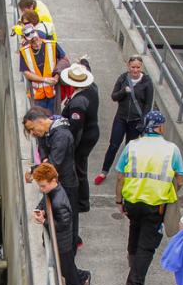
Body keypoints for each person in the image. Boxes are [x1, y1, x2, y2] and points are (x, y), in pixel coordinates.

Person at [115, 110, 183, 285]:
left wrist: (119, 201)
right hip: (156, 206)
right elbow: (179, 180)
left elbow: (120, 176)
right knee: (147, 245)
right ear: (160, 127)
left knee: (134, 231)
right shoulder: (172, 150)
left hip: (132, 202)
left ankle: (133, 263)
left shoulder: (132, 146)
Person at [23, 106, 80, 253]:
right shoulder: (47, 131)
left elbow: (54, 164)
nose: (32, 133)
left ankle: (70, 250)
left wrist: (33, 169)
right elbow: (42, 147)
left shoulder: (61, 136)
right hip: (57, 181)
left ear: (40, 121)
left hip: (66, 183)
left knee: (68, 219)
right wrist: (44, 159)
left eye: (32, 128)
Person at [32, 163, 91, 285]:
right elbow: (44, 201)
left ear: (53, 181)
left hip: (63, 241)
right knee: (66, 265)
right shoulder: (53, 191)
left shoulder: (59, 201)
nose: (41, 189)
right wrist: (40, 209)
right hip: (61, 239)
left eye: (43, 186)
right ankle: (82, 278)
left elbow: (62, 224)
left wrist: (43, 221)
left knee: (66, 267)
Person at [95, 54, 154, 185]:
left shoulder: (147, 82)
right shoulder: (123, 78)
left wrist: (142, 120)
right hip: (121, 117)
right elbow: (114, 96)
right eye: (133, 67)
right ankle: (104, 171)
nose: (135, 70)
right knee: (113, 145)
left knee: (130, 147)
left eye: (138, 67)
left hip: (135, 120)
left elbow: (148, 104)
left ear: (141, 67)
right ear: (128, 66)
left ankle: (127, 173)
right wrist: (123, 91)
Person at [61, 60, 100, 215]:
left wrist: (70, 146)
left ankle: (82, 202)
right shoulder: (92, 89)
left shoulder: (78, 102)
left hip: (84, 136)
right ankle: (82, 200)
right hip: (91, 132)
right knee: (81, 167)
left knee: (79, 168)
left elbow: (75, 128)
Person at [19, 25, 66, 114]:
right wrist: (44, 80)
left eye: (36, 40)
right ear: (26, 40)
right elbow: (26, 73)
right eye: (32, 42)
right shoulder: (24, 52)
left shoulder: (52, 44)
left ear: (38, 35)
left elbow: (64, 60)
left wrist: (57, 75)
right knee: (40, 120)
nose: (36, 44)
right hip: (37, 96)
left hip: (53, 91)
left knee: (53, 119)